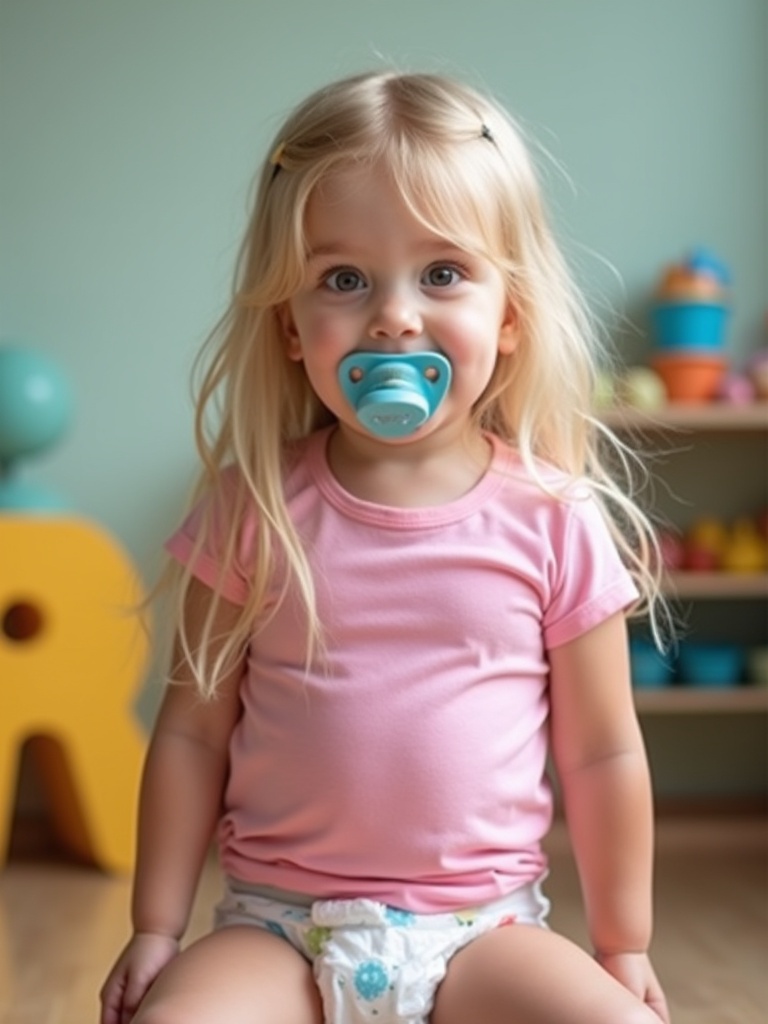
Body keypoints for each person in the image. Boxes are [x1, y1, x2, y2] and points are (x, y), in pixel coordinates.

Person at [100, 70, 672, 1024]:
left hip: (484, 936)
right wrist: (157, 927)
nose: (395, 316)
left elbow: (605, 751)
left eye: (442, 274)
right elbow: (193, 732)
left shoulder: (555, 518)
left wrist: (625, 945)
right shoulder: (253, 508)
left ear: (510, 314)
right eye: (344, 279)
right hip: (275, 931)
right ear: (291, 324)